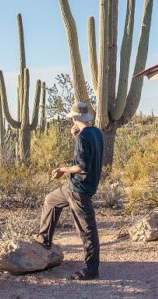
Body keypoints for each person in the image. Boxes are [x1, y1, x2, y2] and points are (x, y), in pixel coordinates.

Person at [34, 101, 104, 280]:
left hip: (80, 188)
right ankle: (44, 239)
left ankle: (91, 269)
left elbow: (82, 167)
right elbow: (88, 153)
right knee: (51, 200)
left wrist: (62, 170)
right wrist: (77, 135)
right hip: (75, 187)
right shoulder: (96, 132)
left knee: (87, 228)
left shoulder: (83, 137)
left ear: (74, 118)